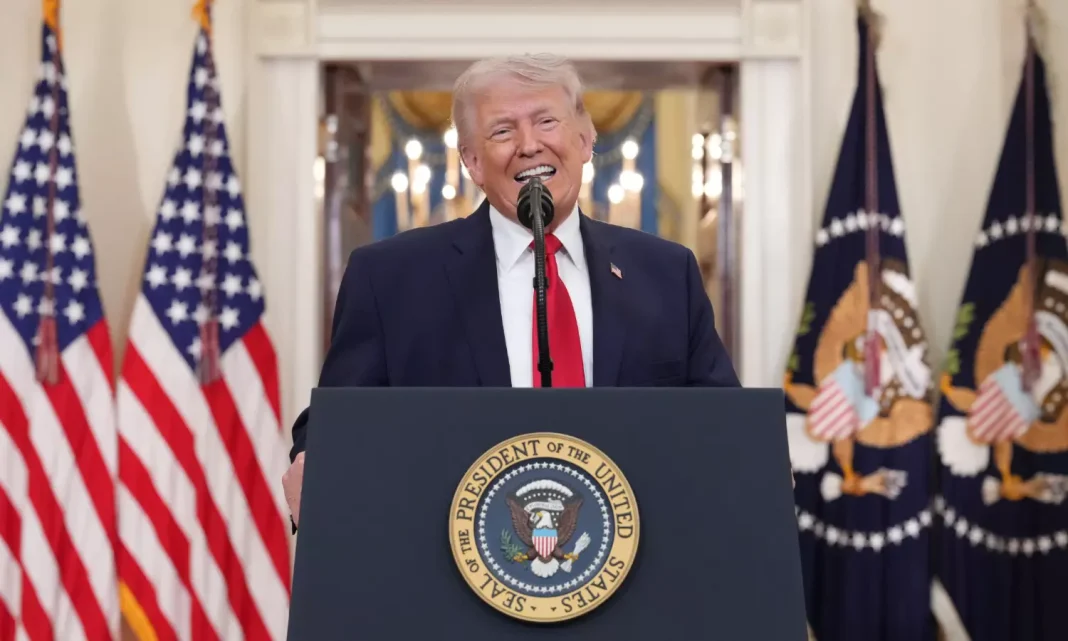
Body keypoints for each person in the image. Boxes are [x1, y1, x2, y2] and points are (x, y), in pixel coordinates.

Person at [281, 54, 740, 526]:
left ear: (585, 140)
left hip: (635, 567)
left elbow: (723, 424)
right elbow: (336, 423)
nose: (528, 145)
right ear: (473, 163)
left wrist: (753, 462)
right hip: (451, 571)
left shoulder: (665, 273)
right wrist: (314, 461)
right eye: (502, 131)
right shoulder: (390, 278)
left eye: (546, 121)